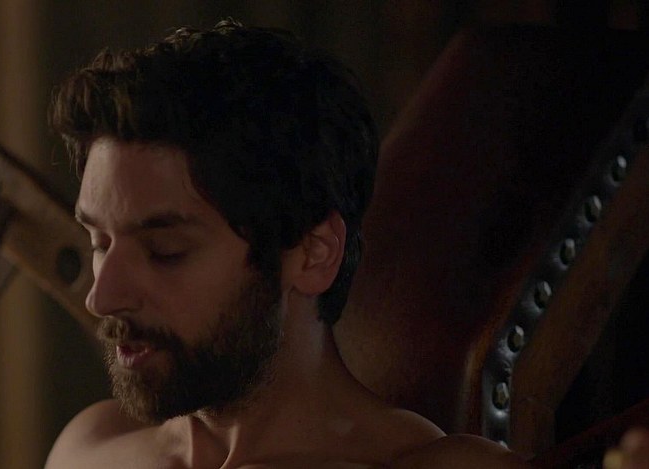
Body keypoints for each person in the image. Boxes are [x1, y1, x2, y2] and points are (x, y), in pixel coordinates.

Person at [44, 19, 527, 468]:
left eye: (165, 251)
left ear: (314, 254)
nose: (101, 298)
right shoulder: (88, 450)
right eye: (100, 242)